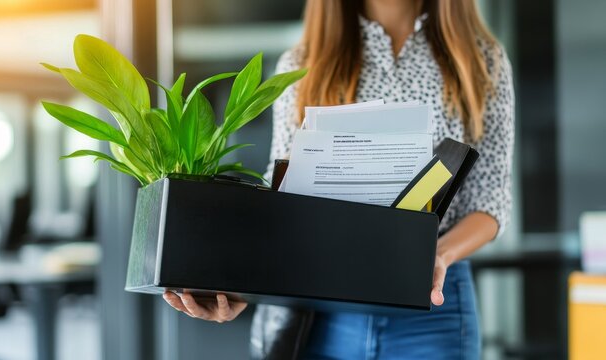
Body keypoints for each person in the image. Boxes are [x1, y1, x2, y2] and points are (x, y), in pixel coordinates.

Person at [163, 0, 514, 358]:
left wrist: (434, 256)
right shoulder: (300, 65)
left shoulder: (482, 60)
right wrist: (243, 286)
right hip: (320, 310)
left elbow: (490, 201)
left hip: (431, 305)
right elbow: (281, 196)